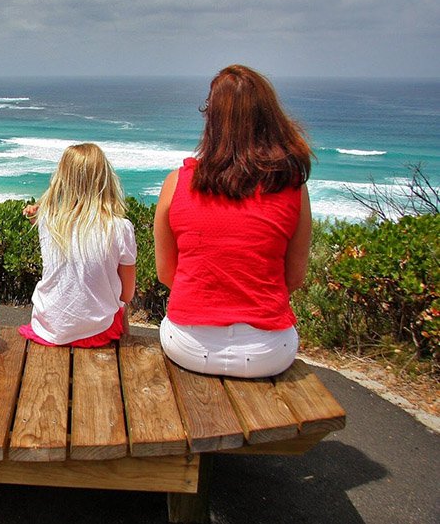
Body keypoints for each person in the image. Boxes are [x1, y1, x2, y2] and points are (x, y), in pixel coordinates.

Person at [153, 65, 313, 378]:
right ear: (270, 119)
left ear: (211, 120)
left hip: (189, 346)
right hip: (267, 352)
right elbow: (293, 277)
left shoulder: (177, 183)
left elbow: (167, 273)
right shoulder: (292, 187)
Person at [19, 143, 137, 348]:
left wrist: (35, 212)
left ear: (62, 180)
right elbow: (126, 294)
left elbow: (41, 217)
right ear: (104, 179)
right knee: (121, 308)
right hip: (97, 332)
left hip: (47, 329)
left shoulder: (48, 220)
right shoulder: (120, 228)